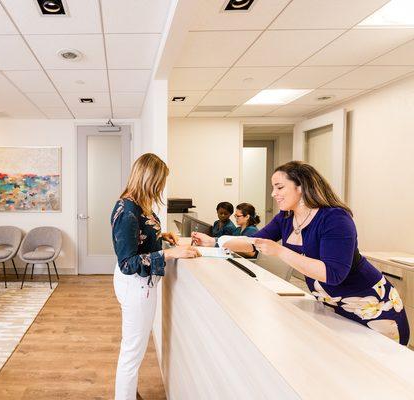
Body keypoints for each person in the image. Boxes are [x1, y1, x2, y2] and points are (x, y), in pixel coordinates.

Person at [193, 161, 409, 345]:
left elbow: (333, 274)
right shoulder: (286, 217)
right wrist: (216, 241)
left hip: (370, 304)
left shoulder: (335, 218)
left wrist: (280, 251)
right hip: (331, 303)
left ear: (301, 187)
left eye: (279, 187)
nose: (273, 194)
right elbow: (254, 242)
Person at [111, 153, 200, 400]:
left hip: (139, 285)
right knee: (131, 352)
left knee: (133, 349)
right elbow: (128, 263)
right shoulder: (127, 211)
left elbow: (140, 239)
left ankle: (127, 393)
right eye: (160, 181)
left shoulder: (139, 205)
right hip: (136, 285)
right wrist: (169, 254)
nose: (161, 187)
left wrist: (161, 237)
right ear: (148, 179)